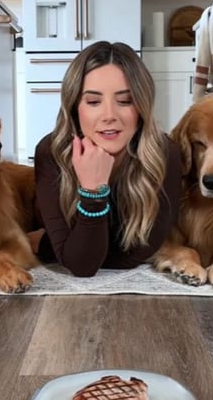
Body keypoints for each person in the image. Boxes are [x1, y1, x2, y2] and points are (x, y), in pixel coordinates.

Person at [32, 41, 182, 277]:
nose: (109, 115)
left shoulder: (165, 154)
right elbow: (82, 266)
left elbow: (133, 256)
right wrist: (94, 190)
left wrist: (53, 246)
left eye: (125, 101)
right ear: (74, 108)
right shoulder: (52, 152)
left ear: (142, 107)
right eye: (93, 102)